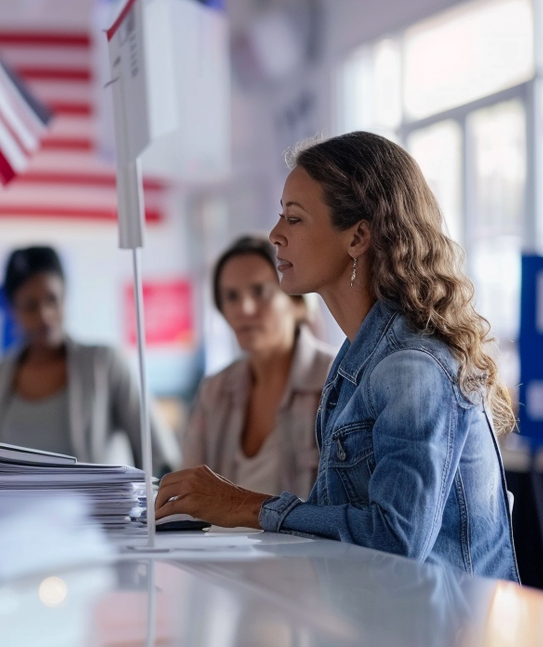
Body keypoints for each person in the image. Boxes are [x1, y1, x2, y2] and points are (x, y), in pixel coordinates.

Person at [156, 132, 518, 581]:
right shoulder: (354, 361)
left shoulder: (412, 368)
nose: (275, 235)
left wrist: (245, 505)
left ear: (358, 236)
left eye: (295, 218)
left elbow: (395, 541)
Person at [0, 246, 179, 471]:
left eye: (52, 300)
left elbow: (160, 454)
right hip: (6, 505)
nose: (44, 315)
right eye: (30, 306)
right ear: (12, 309)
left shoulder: (105, 365)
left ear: (65, 296)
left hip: (99, 505)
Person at [182, 236, 335, 498]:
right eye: (231, 296)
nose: (244, 308)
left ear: (298, 304)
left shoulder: (335, 379)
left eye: (260, 291)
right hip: (221, 540)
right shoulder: (214, 391)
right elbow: (190, 492)